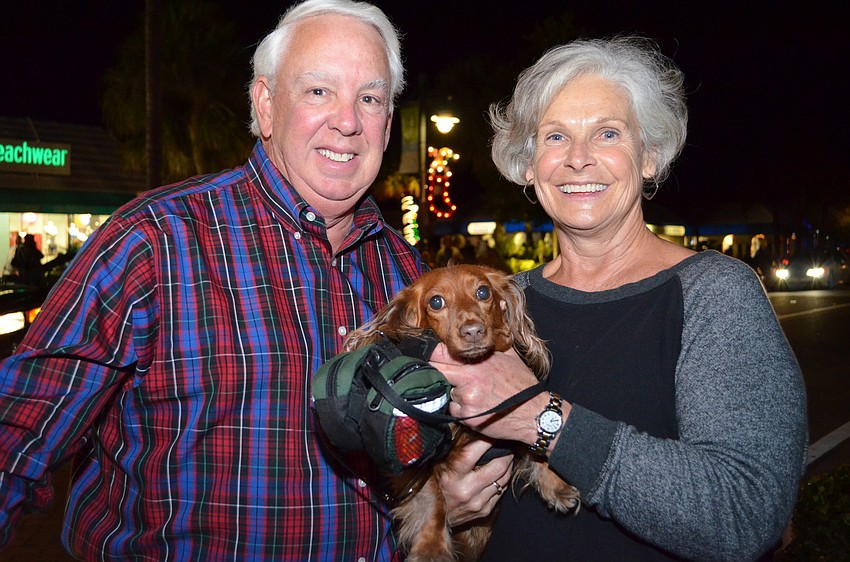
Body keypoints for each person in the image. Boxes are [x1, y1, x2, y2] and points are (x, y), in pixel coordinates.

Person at [0, 1, 436, 559]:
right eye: (318, 91)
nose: (348, 121)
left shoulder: (408, 273)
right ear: (266, 105)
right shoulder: (154, 241)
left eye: (370, 99)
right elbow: (16, 437)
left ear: (388, 123)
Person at [433, 37, 807, 561]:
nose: (578, 159)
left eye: (607, 133)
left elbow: (745, 515)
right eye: (556, 136)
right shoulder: (496, 303)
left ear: (649, 156)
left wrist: (540, 417)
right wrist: (444, 508)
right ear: (529, 165)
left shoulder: (715, 293)